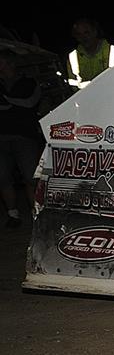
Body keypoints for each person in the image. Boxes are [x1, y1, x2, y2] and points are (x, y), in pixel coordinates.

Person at [0, 52, 43, 228]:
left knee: (31, 177)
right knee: (3, 178)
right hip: (1, 138)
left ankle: (38, 215)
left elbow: (30, 103)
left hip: (25, 137)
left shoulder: (28, 82)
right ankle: (13, 214)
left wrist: (8, 102)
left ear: (10, 63)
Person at [67, 18, 114, 89]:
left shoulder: (113, 51)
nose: (83, 37)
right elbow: (73, 85)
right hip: (87, 98)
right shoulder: (73, 57)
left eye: (86, 32)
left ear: (95, 32)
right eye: (79, 34)